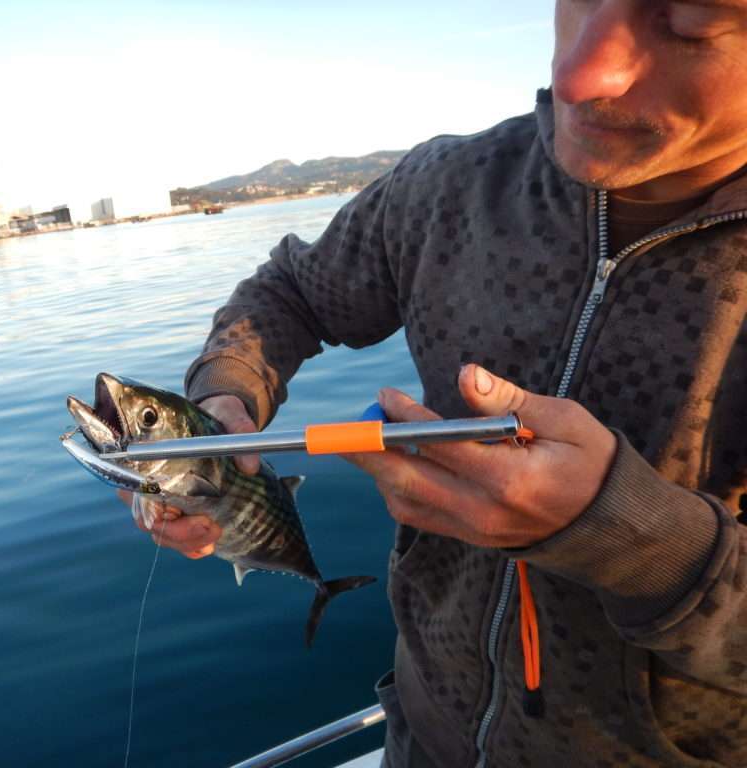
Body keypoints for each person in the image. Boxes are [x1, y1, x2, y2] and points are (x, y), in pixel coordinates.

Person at [126, 1, 747, 765]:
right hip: (423, 736)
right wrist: (220, 401)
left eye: (692, 19)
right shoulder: (450, 187)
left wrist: (629, 537)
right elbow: (289, 294)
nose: (580, 73)